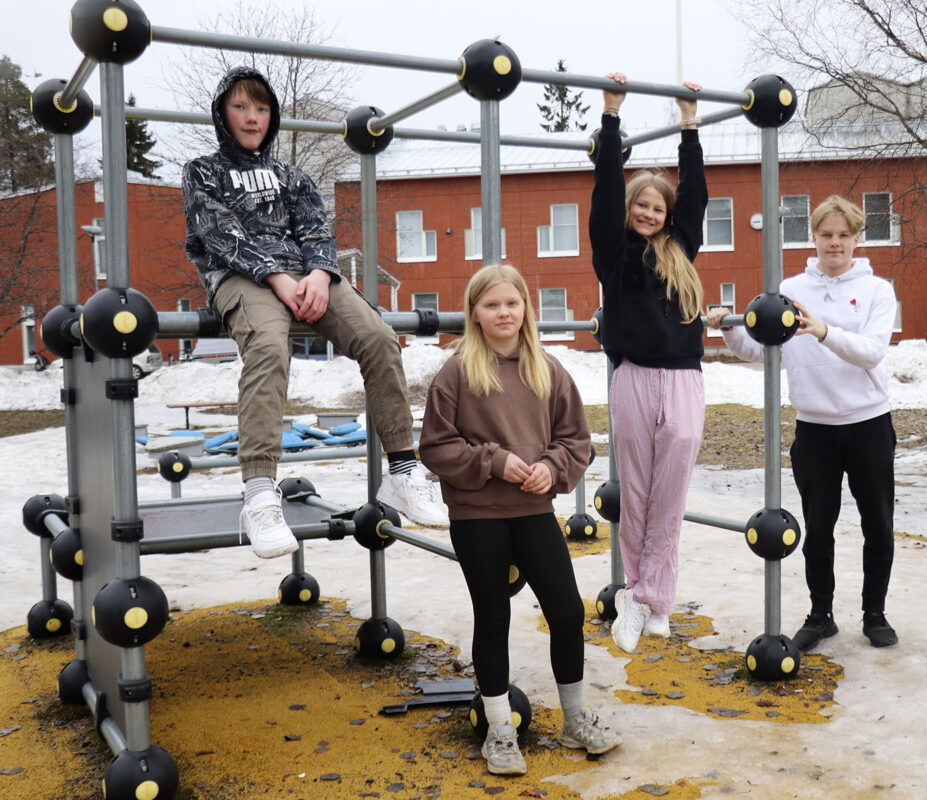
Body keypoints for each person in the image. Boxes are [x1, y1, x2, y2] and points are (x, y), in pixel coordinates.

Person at [182, 66, 448, 559]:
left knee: (380, 338)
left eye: (262, 108)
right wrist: (278, 278)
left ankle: (403, 473)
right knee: (267, 346)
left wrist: (321, 274)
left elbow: (316, 232)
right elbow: (219, 235)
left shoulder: (293, 176)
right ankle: (260, 493)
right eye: (241, 107)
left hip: (307, 275)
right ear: (223, 113)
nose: (252, 117)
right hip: (243, 277)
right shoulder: (203, 171)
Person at [418, 264, 621, 775]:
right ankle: (499, 730)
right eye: (491, 305)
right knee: (493, 618)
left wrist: (551, 468)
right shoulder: (457, 372)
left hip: (534, 510)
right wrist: (494, 461)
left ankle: (574, 719)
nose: (503, 312)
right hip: (478, 515)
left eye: (512, 303)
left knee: (568, 612)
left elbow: (577, 441)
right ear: (475, 315)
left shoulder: (548, 369)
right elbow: (435, 447)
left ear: (526, 308)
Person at [707, 195, 899, 650]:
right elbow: (761, 352)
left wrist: (824, 330)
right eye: (827, 235)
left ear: (857, 239)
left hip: (868, 423)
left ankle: (875, 613)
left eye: (844, 235)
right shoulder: (791, 290)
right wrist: (729, 328)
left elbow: (872, 350)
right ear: (813, 238)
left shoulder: (876, 290)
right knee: (818, 526)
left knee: (878, 524)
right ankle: (820, 615)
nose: (835, 243)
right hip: (814, 429)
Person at [590, 73, 708, 653]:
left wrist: (690, 123)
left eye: (657, 205)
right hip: (632, 376)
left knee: (671, 492)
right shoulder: (613, 255)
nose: (649, 210)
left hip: (685, 379)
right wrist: (611, 116)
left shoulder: (682, 249)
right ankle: (641, 597)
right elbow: (606, 190)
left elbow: (696, 197)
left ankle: (653, 594)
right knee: (634, 492)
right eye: (641, 203)